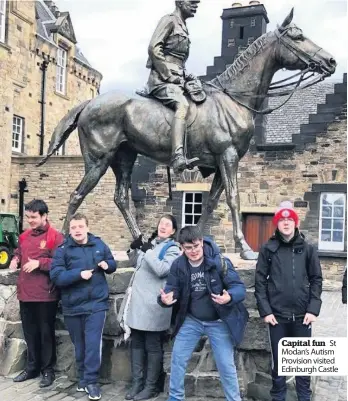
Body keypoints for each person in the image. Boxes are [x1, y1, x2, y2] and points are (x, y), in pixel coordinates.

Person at [159, 225, 247, 401]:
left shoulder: (219, 262)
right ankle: (175, 398)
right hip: (192, 320)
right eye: (188, 248)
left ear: (201, 242)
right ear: (182, 248)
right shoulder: (178, 265)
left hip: (219, 320)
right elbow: (171, 289)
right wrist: (164, 300)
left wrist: (229, 297)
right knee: (177, 359)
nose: (193, 251)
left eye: (196, 246)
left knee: (226, 366)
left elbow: (239, 288)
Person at [255, 201, 323, 401]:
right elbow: (259, 282)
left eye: (289, 219)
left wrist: (313, 309)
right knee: (279, 363)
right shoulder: (268, 249)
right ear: (277, 224)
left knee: (302, 364)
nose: (286, 223)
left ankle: (304, 397)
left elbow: (316, 279)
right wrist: (266, 311)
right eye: (282, 220)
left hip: (303, 317)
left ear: (295, 222)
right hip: (277, 317)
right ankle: (279, 397)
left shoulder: (308, 249)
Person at [50, 213, 117, 401]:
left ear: (87, 227)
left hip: (96, 304)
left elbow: (113, 264)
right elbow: (56, 276)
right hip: (73, 305)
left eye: (80, 226)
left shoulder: (99, 245)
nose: (77, 230)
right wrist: (78, 274)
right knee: (80, 346)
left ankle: (92, 382)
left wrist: (108, 265)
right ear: (69, 230)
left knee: (93, 345)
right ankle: (82, 378)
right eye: (73, 228)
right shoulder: (63, 250)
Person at [124, 214, 181, 401]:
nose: (163, 226)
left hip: (155, 305)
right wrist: (133, 249)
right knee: (137, 344)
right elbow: (135, 264)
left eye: (168, 225)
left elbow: (162, 270)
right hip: (138, 303)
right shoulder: (151, 244)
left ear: (173, 231)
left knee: (153, 346)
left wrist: (147, 251)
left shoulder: (173, 249)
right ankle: (137, 383)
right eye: (161, 223)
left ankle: (151, 387)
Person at [9, 199, 64, 387]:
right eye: (28, 217)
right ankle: (32, 368)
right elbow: (19, 251)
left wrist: (39, 263)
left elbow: (60, 263)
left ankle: (47, 370)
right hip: (25, 293)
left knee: (45, 333)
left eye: (34, 217)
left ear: (44, 216)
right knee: (30, 333)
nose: (30, 220)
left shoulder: (55, 237)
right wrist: (16, 258)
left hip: (46, 295)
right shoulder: (24, 236)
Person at [146, 0, 201, 173]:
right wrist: (168, 75)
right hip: (161, 80)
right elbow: (154, 48)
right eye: (192, 1)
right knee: (182, 105)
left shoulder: (183, 27)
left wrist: (187, 75)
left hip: (178, 79)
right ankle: (177, 155)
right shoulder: (169, 20)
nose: (195, 5)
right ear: (180, 2)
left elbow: (178, 61)